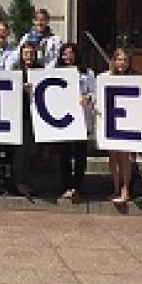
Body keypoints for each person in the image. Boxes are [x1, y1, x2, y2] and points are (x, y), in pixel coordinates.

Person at [56, 43, 95, 201]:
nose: (68, 56)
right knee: (64, 154)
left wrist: (89, 98)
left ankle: (77, 186)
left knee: (80, 154)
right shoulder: (55, 72)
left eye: (71, 53)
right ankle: (66, 185)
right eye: (65, 54)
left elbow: (94, 91)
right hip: (62, 119)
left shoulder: (87, 73)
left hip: (81, 118)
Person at [101, 48, 134, 204]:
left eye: (125, 60)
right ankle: (115, 188)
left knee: (124, 157)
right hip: (110, 121)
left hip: (127, 122)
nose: (122, 63)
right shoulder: (104, 77)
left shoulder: (134, 78)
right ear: (114, 60)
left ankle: (125, 189)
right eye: (120, 59)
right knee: (113, 157)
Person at [13, 42, 41, 197]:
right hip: (21, 114)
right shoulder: (16, 71)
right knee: (21, 150)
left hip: (37, 115)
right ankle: (19, 181)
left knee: (32, 149)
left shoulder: (40, 70)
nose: (28, 56)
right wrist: (20, 87)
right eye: (26, 53)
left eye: (31, 53)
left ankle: (25, 179)